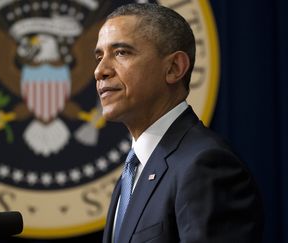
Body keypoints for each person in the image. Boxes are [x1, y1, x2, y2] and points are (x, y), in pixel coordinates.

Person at [94, 3, 264, 243]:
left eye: (121, 52)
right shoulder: (133, 171)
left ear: (174, 68)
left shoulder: (205, 167)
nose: (100, 71)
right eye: (99, 56)